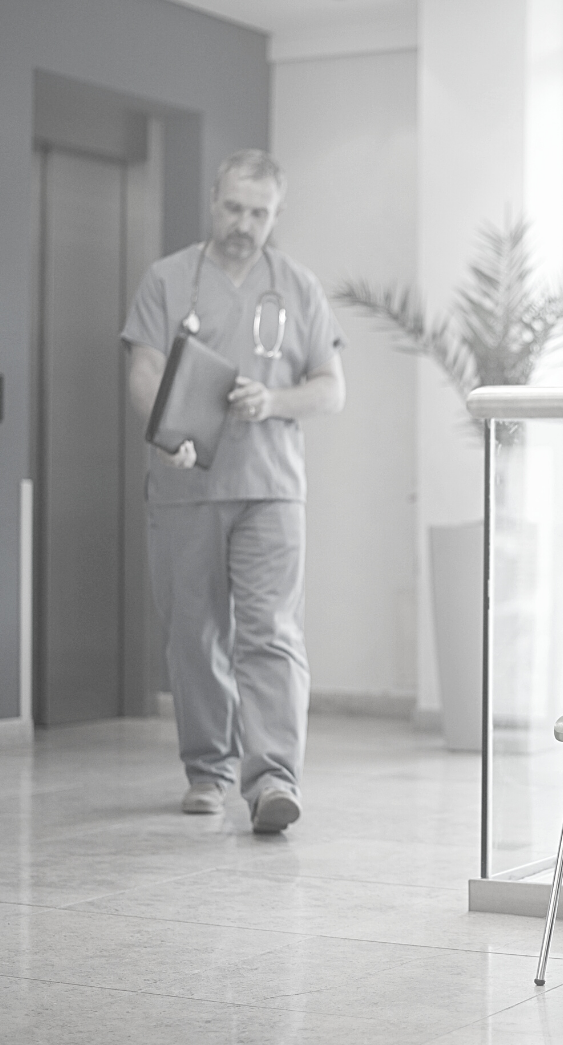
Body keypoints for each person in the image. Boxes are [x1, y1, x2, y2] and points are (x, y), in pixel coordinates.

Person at [120, 149, 346, 834]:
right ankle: (208, 770)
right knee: (194, 634)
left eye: (259, 212)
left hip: (270, 488)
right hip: (186, 481)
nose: (244, 223)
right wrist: (165, 432)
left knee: (271, 631)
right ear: (213, 202)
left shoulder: (297, 286)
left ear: (276, 215)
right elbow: (143, 369)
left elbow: (330, 389)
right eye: (233, 207)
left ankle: (273, 776)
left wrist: (272, 400)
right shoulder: (167, 280)